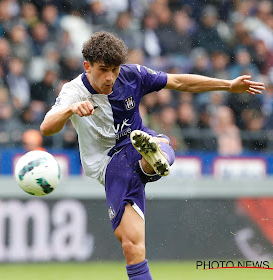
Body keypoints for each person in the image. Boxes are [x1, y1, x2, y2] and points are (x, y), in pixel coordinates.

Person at [40, 31, 265, 280]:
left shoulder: (132, 75)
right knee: (130, 246)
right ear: (87, 66)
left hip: (135, 142)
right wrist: (70, 110)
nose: (110, 77)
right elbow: (47, 127)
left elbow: (179, 82)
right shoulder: (73, 91)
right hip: (108, 164)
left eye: (114, 69)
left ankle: (152, 158)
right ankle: (151, 162)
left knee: (157, 149)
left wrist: (228, 85)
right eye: (103, 69)